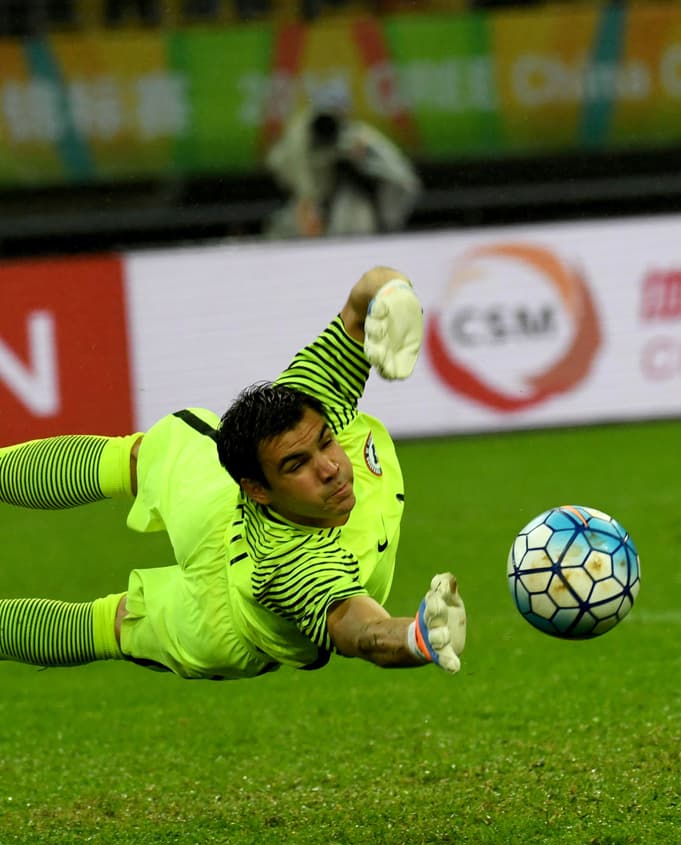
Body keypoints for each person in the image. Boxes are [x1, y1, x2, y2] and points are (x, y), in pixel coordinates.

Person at [0, 266, 466, 680]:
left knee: (113, 610)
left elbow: (361, 300)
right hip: (218, 603)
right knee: (116, 603)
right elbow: (360, 630)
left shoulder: (309, 397)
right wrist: (416, 637)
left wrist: (392, 293)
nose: (329, 468)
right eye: (297, 465)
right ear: (257, 489)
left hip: (216, 566)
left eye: (324, 441)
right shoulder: (292, 564)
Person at [265, 104, 423, 239]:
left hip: (360, 214)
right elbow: (280, 165)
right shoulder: (300, 141)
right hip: (317, 216)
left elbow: (402, 179)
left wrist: (362, 159)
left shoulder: (358, 137)